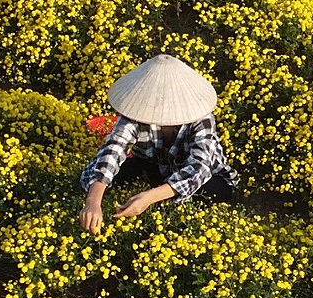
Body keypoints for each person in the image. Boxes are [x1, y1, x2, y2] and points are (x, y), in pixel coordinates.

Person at [78, 54, 238, 234]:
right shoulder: (135, 114)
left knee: (212, 192)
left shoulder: (202, 119)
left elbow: (198, 168)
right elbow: (113, 148)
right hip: (155, 165)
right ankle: (153, 191)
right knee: (100, 178)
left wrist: (150, 197)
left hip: (206, 175)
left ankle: (158, 196)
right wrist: (93, 203)